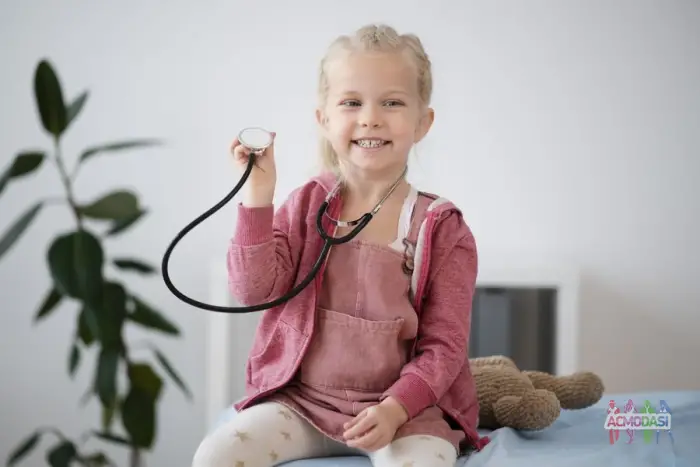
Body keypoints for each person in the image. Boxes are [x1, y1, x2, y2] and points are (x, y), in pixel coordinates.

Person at [192, 23, 486, 467]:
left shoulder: (442, 229)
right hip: (304, 404)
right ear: (324, 119)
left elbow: (444, 347)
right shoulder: (306, 204)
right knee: (215, 455)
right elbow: (253, 291)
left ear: (423, 122)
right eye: (351, 102)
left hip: (401, 413)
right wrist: (258, 195)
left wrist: (396, 408)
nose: (370, 118)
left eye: (392, 102)